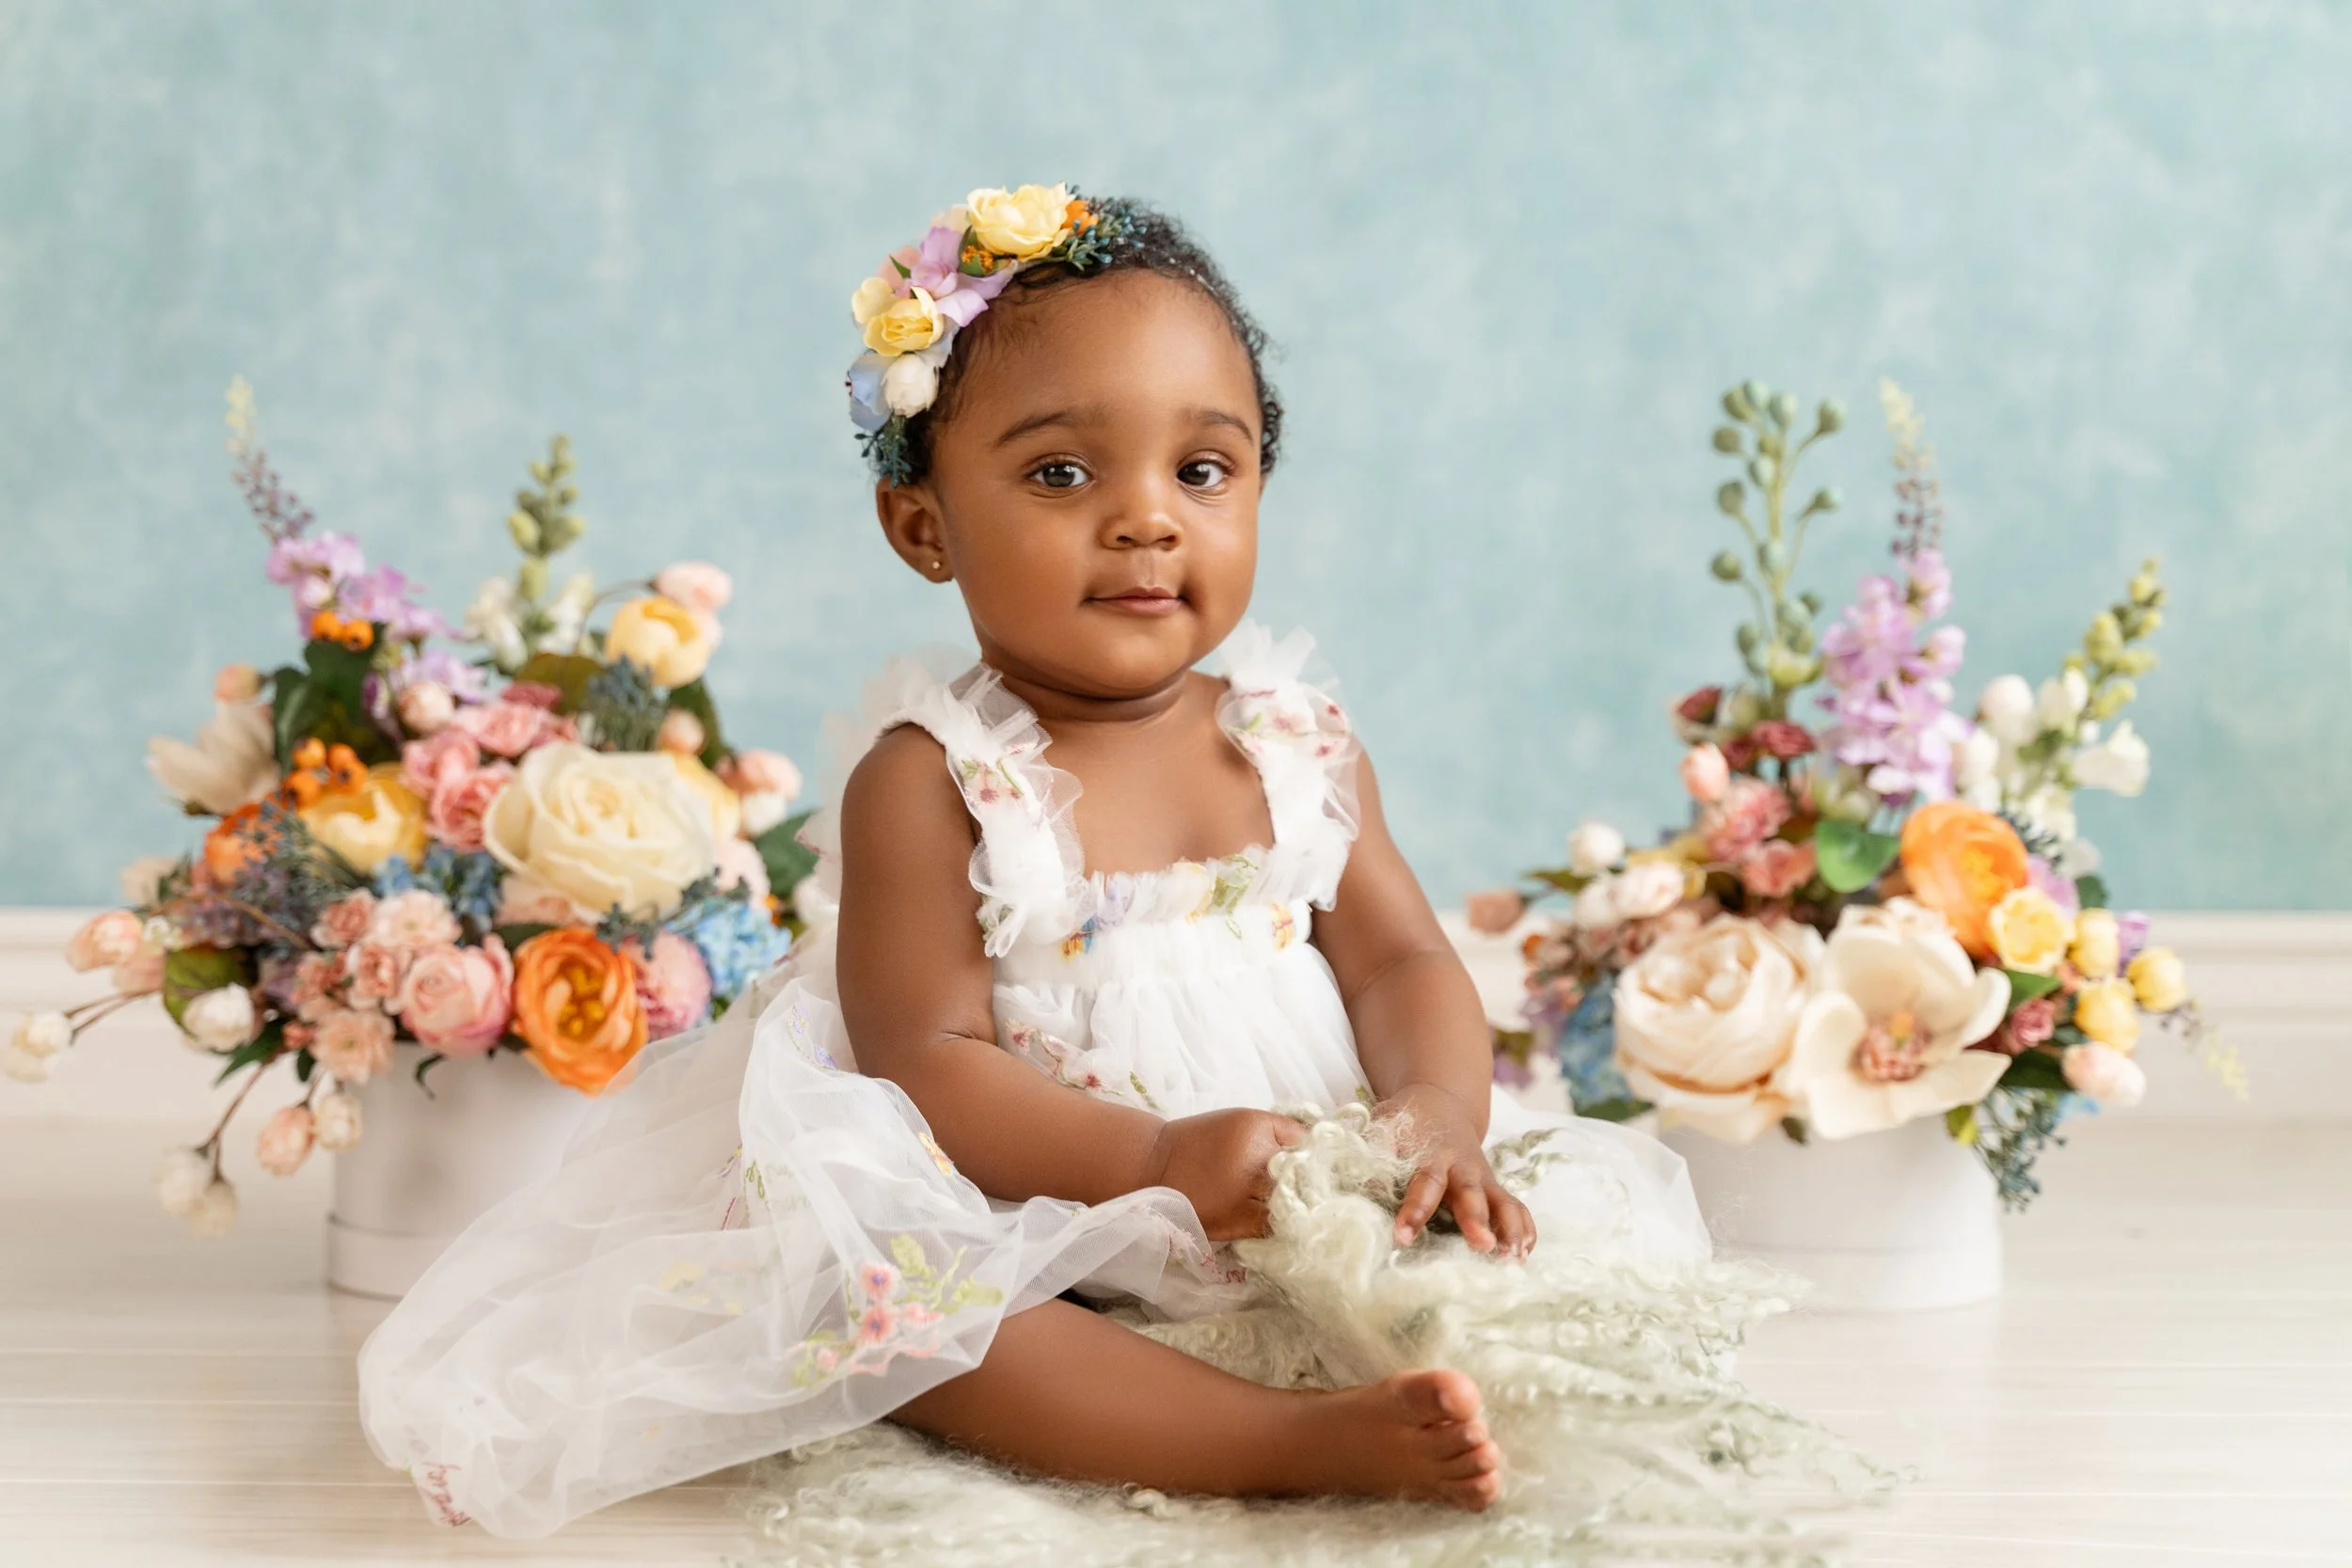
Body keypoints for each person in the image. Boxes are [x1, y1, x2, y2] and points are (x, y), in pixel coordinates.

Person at [357, 185, 1712, 1540]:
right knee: (897, 1313)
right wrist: (1155, 1156)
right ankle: (1280, 1440)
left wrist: (1438, 1112)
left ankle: (1378, 1345)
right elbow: (928, 1058)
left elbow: (1404, 959)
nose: (1146, 519)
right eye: (1064, 474)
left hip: (1315, 1176)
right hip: (1044, 1198)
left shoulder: (1295, 743)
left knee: (1526, 1246)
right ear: (924, 527)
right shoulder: (934, 780)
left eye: (1203, 470)